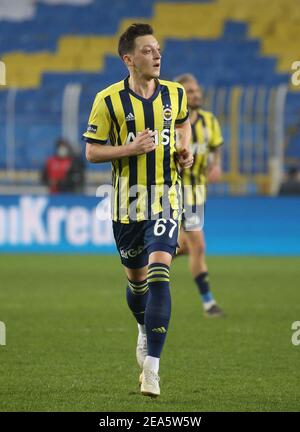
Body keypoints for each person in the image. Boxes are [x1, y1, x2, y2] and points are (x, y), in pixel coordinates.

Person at [83, 23, 193, 398]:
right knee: (138, 284)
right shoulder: (107, 100)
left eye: (159, 49)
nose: (157, 56)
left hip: (167, 197)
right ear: (129, 59)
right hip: (126, 203)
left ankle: (152, 370)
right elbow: (92, 151)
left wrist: (185, 150)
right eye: (148, 51)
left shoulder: (175, 94)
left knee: (161, 275)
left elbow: (183, 125)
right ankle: (144, 329)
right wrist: (129, 150)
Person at [175, 74, 224, 317]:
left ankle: (146, 265)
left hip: (196, 195)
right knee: (197, 244)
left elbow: (216, 147)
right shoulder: (171, 123)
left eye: (196, 90)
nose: (195, 94)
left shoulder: (209, 121)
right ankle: (208, 303)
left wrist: (216, 165)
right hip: (171, 193)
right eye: (189, 91)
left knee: (188, 247)